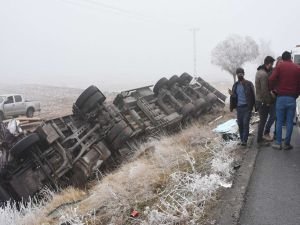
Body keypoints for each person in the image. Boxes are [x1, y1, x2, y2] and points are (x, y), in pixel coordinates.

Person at [269, 51, 300, 150]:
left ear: (282, 58)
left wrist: (273, 90)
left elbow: (271, 79)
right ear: (290, 57)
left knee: (279, 121)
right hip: (292, 98)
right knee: (290, 121)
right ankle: (287, 144)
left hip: (281, 98)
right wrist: (296, 94)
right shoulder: (297, 68)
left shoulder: (279, 67)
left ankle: (278, 143)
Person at [229, 68, 256, 146]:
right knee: (240, 124)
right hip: (239, 108)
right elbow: (235, 97)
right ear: (237, 75)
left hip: (247, 107)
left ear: (244, 74)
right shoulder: (235, 85)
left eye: (241, 73)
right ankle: (242, 140)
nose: (240, 75)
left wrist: (255, 106)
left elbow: (253, 95)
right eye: (238, 73)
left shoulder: (249, 84)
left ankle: (244, 140)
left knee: (245, 123)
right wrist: (232, 95)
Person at [255, 56, 275, 146]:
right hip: (263, 101)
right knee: (262, 121)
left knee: (262, 120)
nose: (272, 66)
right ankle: (259, 140)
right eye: (272, 64)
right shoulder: (264, 75)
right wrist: (268, 102)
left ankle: (260, 138)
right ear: (269, 64)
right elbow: (264, 91)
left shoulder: (259, 72)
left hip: (259, 100)